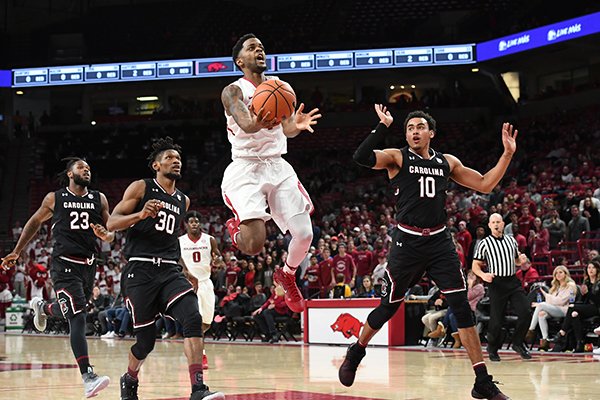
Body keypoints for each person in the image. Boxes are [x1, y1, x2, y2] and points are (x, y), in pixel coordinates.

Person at [339, 104, 518, 399]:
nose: (414, 132)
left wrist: (507, 154)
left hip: (438, 241)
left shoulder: (446, 162)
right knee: (388, 307)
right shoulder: (397, 157)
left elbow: (486, 184)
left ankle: (482, 380)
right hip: (406, 241)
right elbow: (360, 157)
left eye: (420, 127)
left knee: (460, 306)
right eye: (410, 128)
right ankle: (357, 350)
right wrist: (382, 126)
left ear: (431, 133)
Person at [106, 137, 224, 400]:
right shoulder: (141, 187)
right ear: (156, 165)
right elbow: (112, 223)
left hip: (170, 271)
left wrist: (186, 270)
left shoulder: (184, 200)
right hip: (140, 271)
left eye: (178, 158)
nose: (176, 161)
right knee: (145, 342)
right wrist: (140, 215)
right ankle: (129, 378)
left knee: (193, 318)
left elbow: (171, 241)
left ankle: (198, 389)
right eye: (169, 157)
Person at [220, 33, 321, 313]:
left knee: (304, 234)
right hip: (245, 167)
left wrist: (295, 126)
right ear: (240, 60)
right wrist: (265, 114)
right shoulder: (233, 91)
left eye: (262, 47)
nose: (259, 51)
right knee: (253, 246)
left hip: (277, 164)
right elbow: (248, 124)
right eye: (252, 48)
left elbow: (284, 127)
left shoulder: (281, 87)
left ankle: (287, 274)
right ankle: (234, 228)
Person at [1, 157, 113, 398]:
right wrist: (17, 251)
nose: (87, 170)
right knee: (78, 316)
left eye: (89, 168)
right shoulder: (55, 198)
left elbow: (110, 232)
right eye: (82, 167)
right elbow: (34, 222)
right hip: (64, 264)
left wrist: (107, 236)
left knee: (70, 309)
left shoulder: (99, 199)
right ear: (70, 174)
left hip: (88, 266)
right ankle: (88, 376)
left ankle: (43, 307)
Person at [472, 213, 532, 362]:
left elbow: (517, 260)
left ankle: (517, 343)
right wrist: (483, 275)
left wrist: (521, 260)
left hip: (512, 281)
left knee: (526, 312)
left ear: (503, 224)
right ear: (490, 225)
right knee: (497, 320)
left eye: (499, 221)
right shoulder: (484, 243)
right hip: (496, 283)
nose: (496, 224)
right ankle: (492, 348)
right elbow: (475, 265)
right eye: (493, 222)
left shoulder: (511, 240)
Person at [179, 210, 222, 370]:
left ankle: (194, 347)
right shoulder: (180, 241)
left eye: (197, 221)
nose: (195, 224)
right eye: (191, 222)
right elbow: (178, 261)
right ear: (186, 224)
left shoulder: (210, 240)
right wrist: (187, 275)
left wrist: (218, 261)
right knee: (195, 322)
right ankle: (199, 355)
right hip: (188, 285)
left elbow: (217, 258)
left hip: (205, 283)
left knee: (206, 323)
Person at [525, 265, 577, 351]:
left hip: (565, 310)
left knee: (541, 305)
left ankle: (531, 330)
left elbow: (561, 301)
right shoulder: (556, 286)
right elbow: (551, 302)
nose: (558, 274)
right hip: (555, 309)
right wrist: (546, 298)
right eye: (556, 273)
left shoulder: (570, 285)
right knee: (541, 314)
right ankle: (545, 340)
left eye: (560, 272)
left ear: (565, 274)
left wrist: (545, 298)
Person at [554, 261, 600, 352]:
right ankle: (580, 343)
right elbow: (583, 301)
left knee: (572, 307)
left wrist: (588, 294)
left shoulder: (599, 283)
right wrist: (583, 297)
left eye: (593, 268)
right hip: (587, 307)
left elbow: (598, 302)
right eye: (589, 268)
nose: (590, 270)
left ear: (597, 270)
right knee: (575, 315)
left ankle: (562, 332)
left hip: (596, 308)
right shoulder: (586, 282)